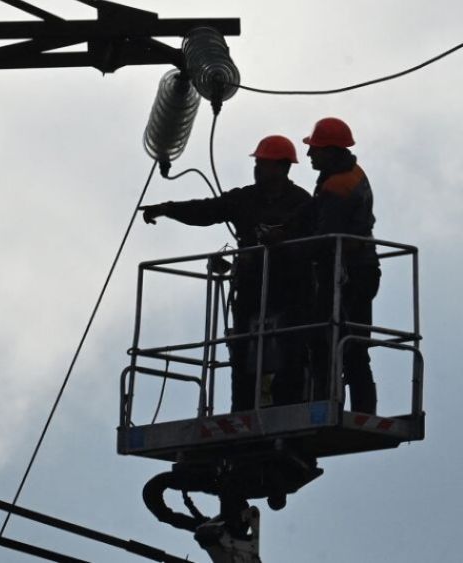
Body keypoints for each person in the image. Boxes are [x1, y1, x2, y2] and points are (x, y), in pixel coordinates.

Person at [140, 135, 312, 410]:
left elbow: (312, 240)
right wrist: (167, 209)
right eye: (257, 163)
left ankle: (288, 405)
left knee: (290, 348)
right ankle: (242, 409)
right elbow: (206, 210)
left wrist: (281, 239)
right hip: (251, 286)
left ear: (282, 167)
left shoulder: (301, 203)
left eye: (262, 164)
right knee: (243, 350)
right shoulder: (245, 199)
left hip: (289, 287)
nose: (257, 169)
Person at [300, 117, 380, 414]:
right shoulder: (351, 174)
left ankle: (323, 403)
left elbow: (325, 236)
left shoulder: (337, 186)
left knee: (326, 340)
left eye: (315, 149)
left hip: (347, 275)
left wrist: (293, 251)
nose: (309, 154)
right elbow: (312, 213)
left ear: (331, 151)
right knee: (354, 344)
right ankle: (362, 410)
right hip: (362, 269)